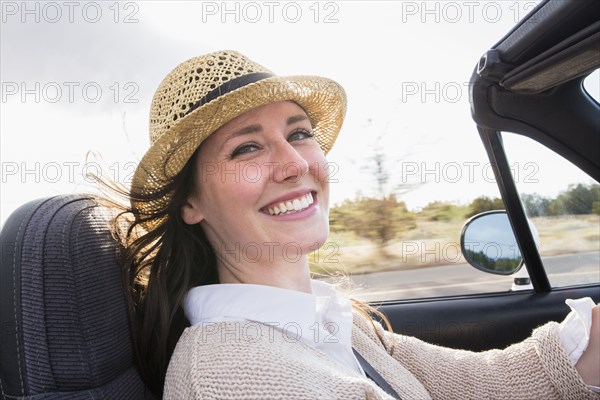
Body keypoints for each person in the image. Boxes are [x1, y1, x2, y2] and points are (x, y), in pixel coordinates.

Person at [117, 50, 600, 399]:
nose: (294, 163)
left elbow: (481, 382)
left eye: (299, 134)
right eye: (247, 147)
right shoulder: (229, 375)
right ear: (191, 204)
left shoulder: (337, 323)